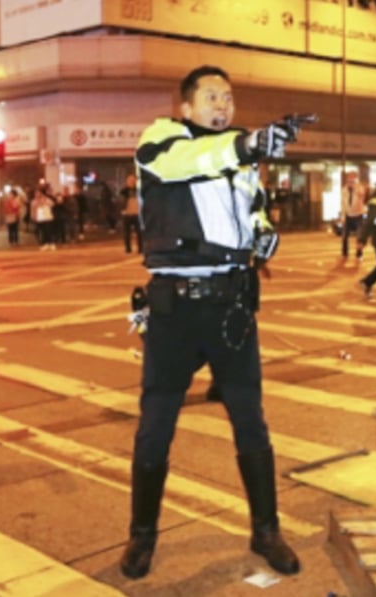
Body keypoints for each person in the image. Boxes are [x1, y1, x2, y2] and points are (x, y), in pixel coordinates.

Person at [121, 65, 299, 580]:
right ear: (187, 107)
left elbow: (255, 211)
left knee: (251, 421)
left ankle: (266, 530)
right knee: (155, 428)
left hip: (231, 308)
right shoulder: (162, 140)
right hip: (175, 311)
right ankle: (142, 536)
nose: (223, 104)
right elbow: (188, 164)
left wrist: (265, 235)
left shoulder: (240, 162)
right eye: (212, 96)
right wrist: (248, 145)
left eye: (229, 96)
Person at [340, 172, 366, 260]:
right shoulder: (344, 190)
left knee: (359, 236)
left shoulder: (359, 188)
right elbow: (343, 204)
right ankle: (344, 253)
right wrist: (343, 216)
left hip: (358, 215)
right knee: (344, 236)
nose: (350, 182)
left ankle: (359, 254)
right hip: (348, 215)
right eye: (348, 180)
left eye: (352, 179)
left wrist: (355, 187)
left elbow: (361, 196)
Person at [120, 174, 143, 253]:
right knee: (127, 233)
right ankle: (128, 248)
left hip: (137, 213)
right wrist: (122, 210)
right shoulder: (124, 191)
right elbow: (121, 201)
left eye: (133, 181)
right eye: (130, 181)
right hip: (127, 214)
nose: (131, 182)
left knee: (139, 232)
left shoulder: (139, 191)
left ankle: (140, 248)